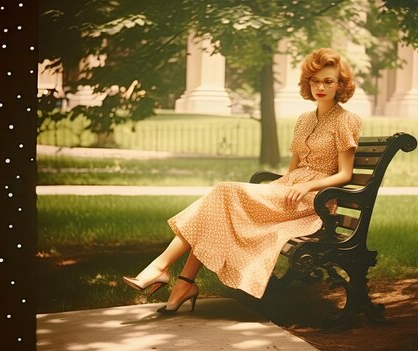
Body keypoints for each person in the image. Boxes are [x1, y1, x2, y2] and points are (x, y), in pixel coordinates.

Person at [123, 47, 362, 314]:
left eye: (328, 81)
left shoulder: (345, 120)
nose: (320, 87)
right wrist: (278, 188)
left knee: (223, 191)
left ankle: (161, 268)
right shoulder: (304, 120)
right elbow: (291, 170)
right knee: (216, 212)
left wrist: (305, 186)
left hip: (313, 202)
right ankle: (183, 283)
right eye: (315, 81)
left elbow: (345, 174)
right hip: (287, 192)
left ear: (340, 85)